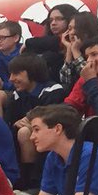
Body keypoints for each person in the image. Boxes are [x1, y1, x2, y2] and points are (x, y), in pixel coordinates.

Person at [7, 54, 68, 186]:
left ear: (32, 72)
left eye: (16, 74)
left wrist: (31, 124)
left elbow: (51, 120)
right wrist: (16, 123)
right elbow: (12, 121)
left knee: (25, 132)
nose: (11, 79)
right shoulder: (17, 94)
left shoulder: (53, 90)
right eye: (10, 74)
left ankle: (31, 182)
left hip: (54, 134)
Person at [57, 12, 98, 90]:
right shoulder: (74, 47)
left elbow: (89, 77)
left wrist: (76, 51)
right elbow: (65, 80)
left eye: (76, 28)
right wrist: (69, 49)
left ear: (88, 30)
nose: (72, 33)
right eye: (70, 29)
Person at [24, 3, 78, 80]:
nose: (53, 23)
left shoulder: (77, 41)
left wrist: (28, 42)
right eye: (51, 20)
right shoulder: (44, 44)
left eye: (59, 19)